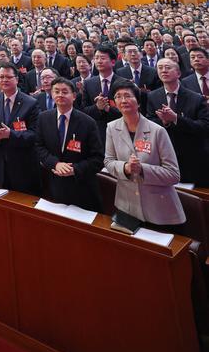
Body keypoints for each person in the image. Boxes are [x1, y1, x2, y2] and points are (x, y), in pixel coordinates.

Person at [104, 82, 185, 230]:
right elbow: (108, 161)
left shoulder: (157, 131)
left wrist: (142, 169)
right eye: (118, 97)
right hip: (127, 206)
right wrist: (125, 168)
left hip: (159, 209)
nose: (123, 100)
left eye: (128, 96)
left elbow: (173, 174)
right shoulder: (111, 128)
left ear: (139, 102)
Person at [35, 78, 103, 212]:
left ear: (74, 96)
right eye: (56, 91)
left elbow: (98, 159)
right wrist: (55, 164)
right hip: (55, 185)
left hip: (82, 187)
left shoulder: (87, 122)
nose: (60, 95)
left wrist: (75, 169)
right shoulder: (43, 118)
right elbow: (39, 147)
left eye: (65, 92)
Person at [147, 58, 209, 186]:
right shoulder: (153, 96)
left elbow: (204, 127)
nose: (163, 70)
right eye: (160, 67)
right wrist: (164, 122)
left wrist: (176, 119)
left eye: (168, 67)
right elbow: (149, 122)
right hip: (164, 157)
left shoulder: (196, 98)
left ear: (179, 73)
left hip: (192, 157)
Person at [0, 62, 40, 195]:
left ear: (17, 79)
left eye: (8, 77)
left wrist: (10, 134)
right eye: (1, 77)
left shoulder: (30, 103)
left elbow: (34, 134)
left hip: (22, 165)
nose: (4, 80)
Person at [81, 45, 129, 149]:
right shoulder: (88, 83)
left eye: (102, 58)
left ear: (112, 62)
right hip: (97, 132)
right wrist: (97, 107)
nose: (99, 61)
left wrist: (108, 109)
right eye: (96, 58)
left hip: (120, 129)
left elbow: (128, 110)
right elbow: (84, 110)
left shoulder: (123, 82)